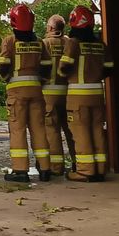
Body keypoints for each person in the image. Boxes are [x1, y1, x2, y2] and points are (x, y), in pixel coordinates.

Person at [0, 4, 52, 182]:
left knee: (18, 130)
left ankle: (20, 171)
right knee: (39, 129)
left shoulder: (9, 41)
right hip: (37, 92)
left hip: (16, 93)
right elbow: (47, 67)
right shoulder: (39, 42)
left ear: (13, 21)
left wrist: (7, 78)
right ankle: (45, 169)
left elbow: (3, 64)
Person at [60, 5, 112, 182]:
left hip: (77, 97)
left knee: (80, 132)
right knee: (97, 130)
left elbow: (64, 68)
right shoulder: (100, 45)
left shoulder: (73, 43)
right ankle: (100, 169)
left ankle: (85, 171)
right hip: (97, 95)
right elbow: (109, 68)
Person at [41, 14, 76, 176]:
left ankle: (56, 167)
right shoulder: (70, 43)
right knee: (72, 130)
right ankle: (78, 163)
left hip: (49, 94)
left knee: (52, 131)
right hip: (69, 94)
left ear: (50, 28)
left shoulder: (44, 44)